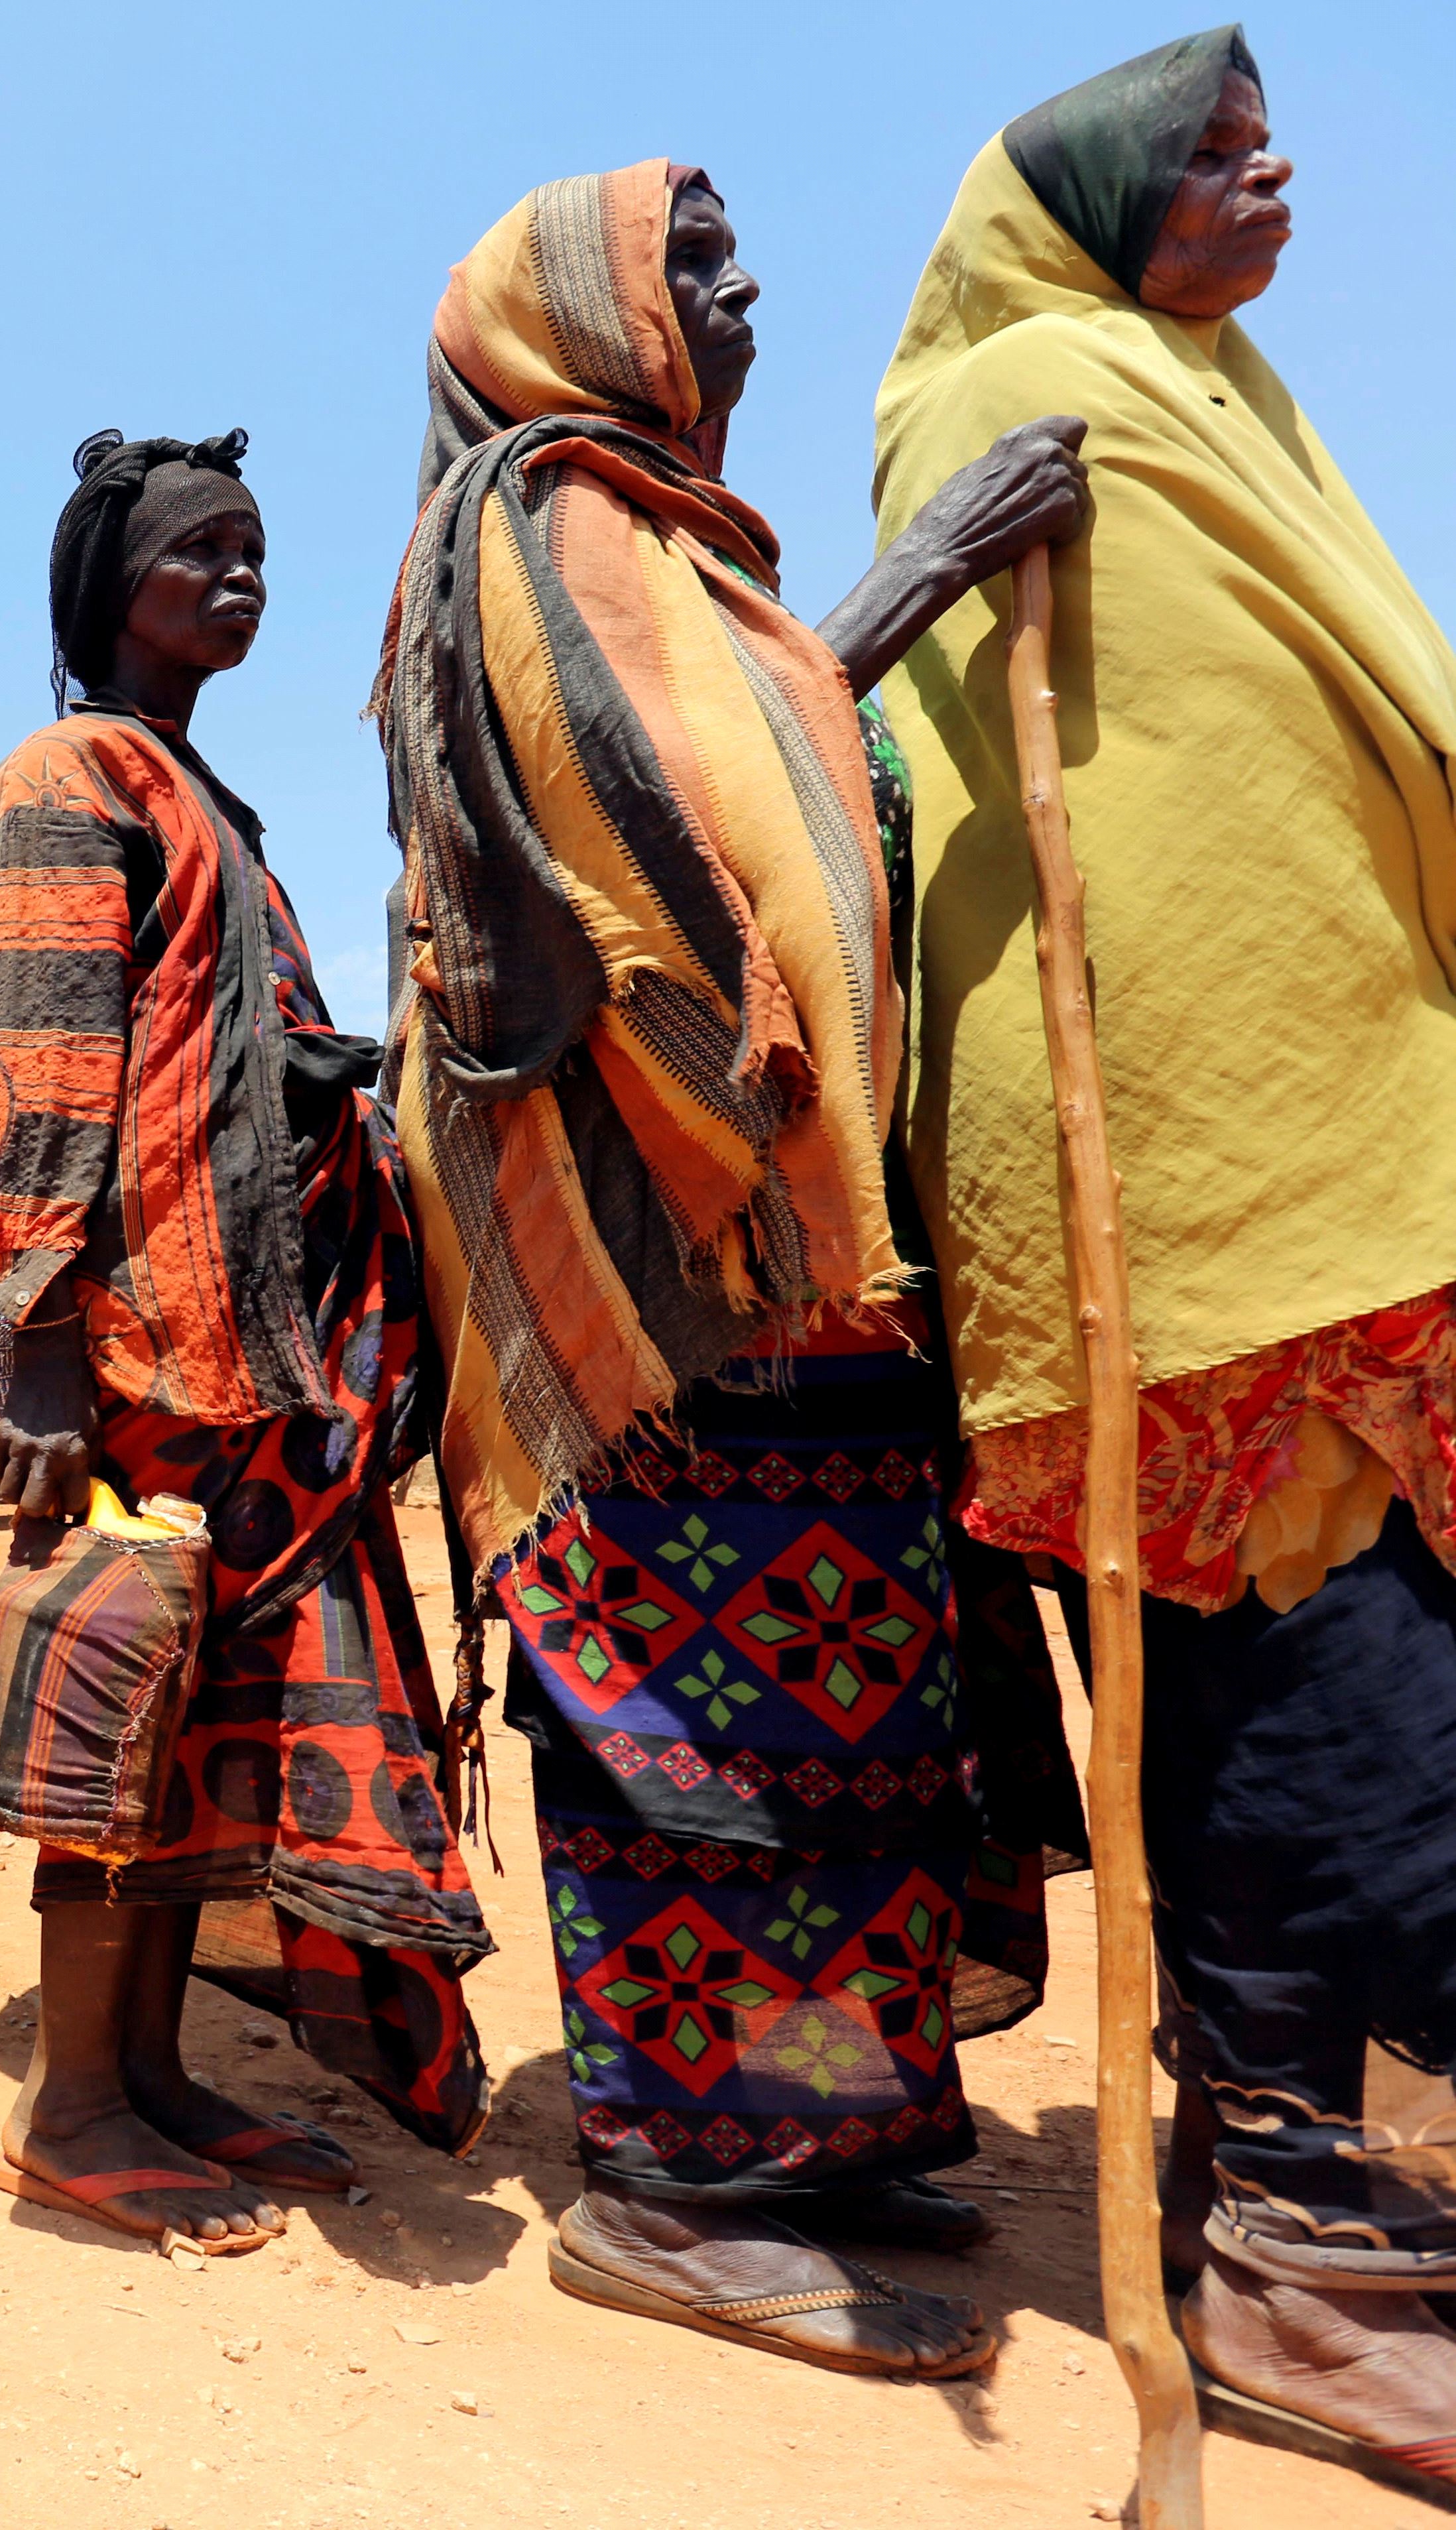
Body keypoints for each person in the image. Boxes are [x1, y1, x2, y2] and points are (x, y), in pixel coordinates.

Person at [378, 162, 1089, 2376]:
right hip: (673, 1273)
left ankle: (831, 2120)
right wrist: (922, 568)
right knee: (703, 1747)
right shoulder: (536, 527)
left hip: (790, 1282)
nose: (742, 281)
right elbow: (653, 830)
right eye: (689, 260)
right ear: (578, 318)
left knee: (852, 1742)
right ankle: (684, 2185)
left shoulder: (682, 550)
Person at [876, 30, 1456, 2484]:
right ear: (1099, 202)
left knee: (1342, 1694)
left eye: (1264, 139)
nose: (1271, 173)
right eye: (1213, 154)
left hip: (1351, 1144)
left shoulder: (1225, 394)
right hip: (1190, 1202)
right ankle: (1306, 2260)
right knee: (1337, 1716)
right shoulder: (1022, 388)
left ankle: (1287, 2193)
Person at [0, 434, 491, 2258]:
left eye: (258, 549)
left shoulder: (201, 794)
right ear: (112, 580)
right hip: (143, 1332)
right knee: (127, 1696)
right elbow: (40, 1061)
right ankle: (75, 2109)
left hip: (252, 1341)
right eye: (204, 549)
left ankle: (158, 2070)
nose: (243, 575)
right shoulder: (62, 777)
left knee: (203, 1727)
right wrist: (34, 1334)